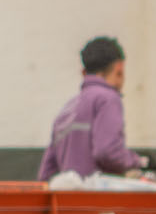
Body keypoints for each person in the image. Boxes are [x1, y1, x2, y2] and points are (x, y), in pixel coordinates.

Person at [38, 36, 149, 181]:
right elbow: (107, 152)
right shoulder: (108, 98)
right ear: (119, 69)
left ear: (84, 73)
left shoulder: (66, 109)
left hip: (66, 200)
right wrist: (138, 161)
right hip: (97, 199)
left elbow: (46, 174)